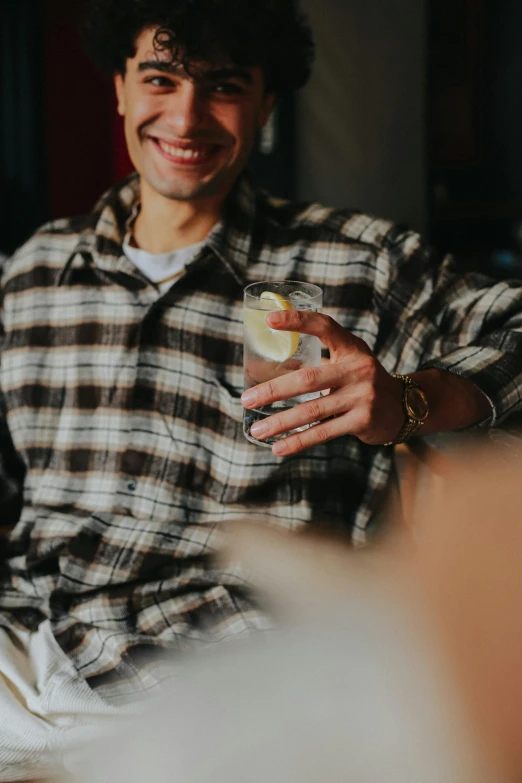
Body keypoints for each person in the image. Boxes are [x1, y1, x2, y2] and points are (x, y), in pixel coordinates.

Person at [1, 0, 522, 776]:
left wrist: (411, 400)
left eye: (224, 86)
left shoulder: (357, 262)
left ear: (267, 105)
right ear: (118, 89)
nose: (186, 115)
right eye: (160, 78)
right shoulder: (37, 269)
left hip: (218, 669)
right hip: (26, 639)